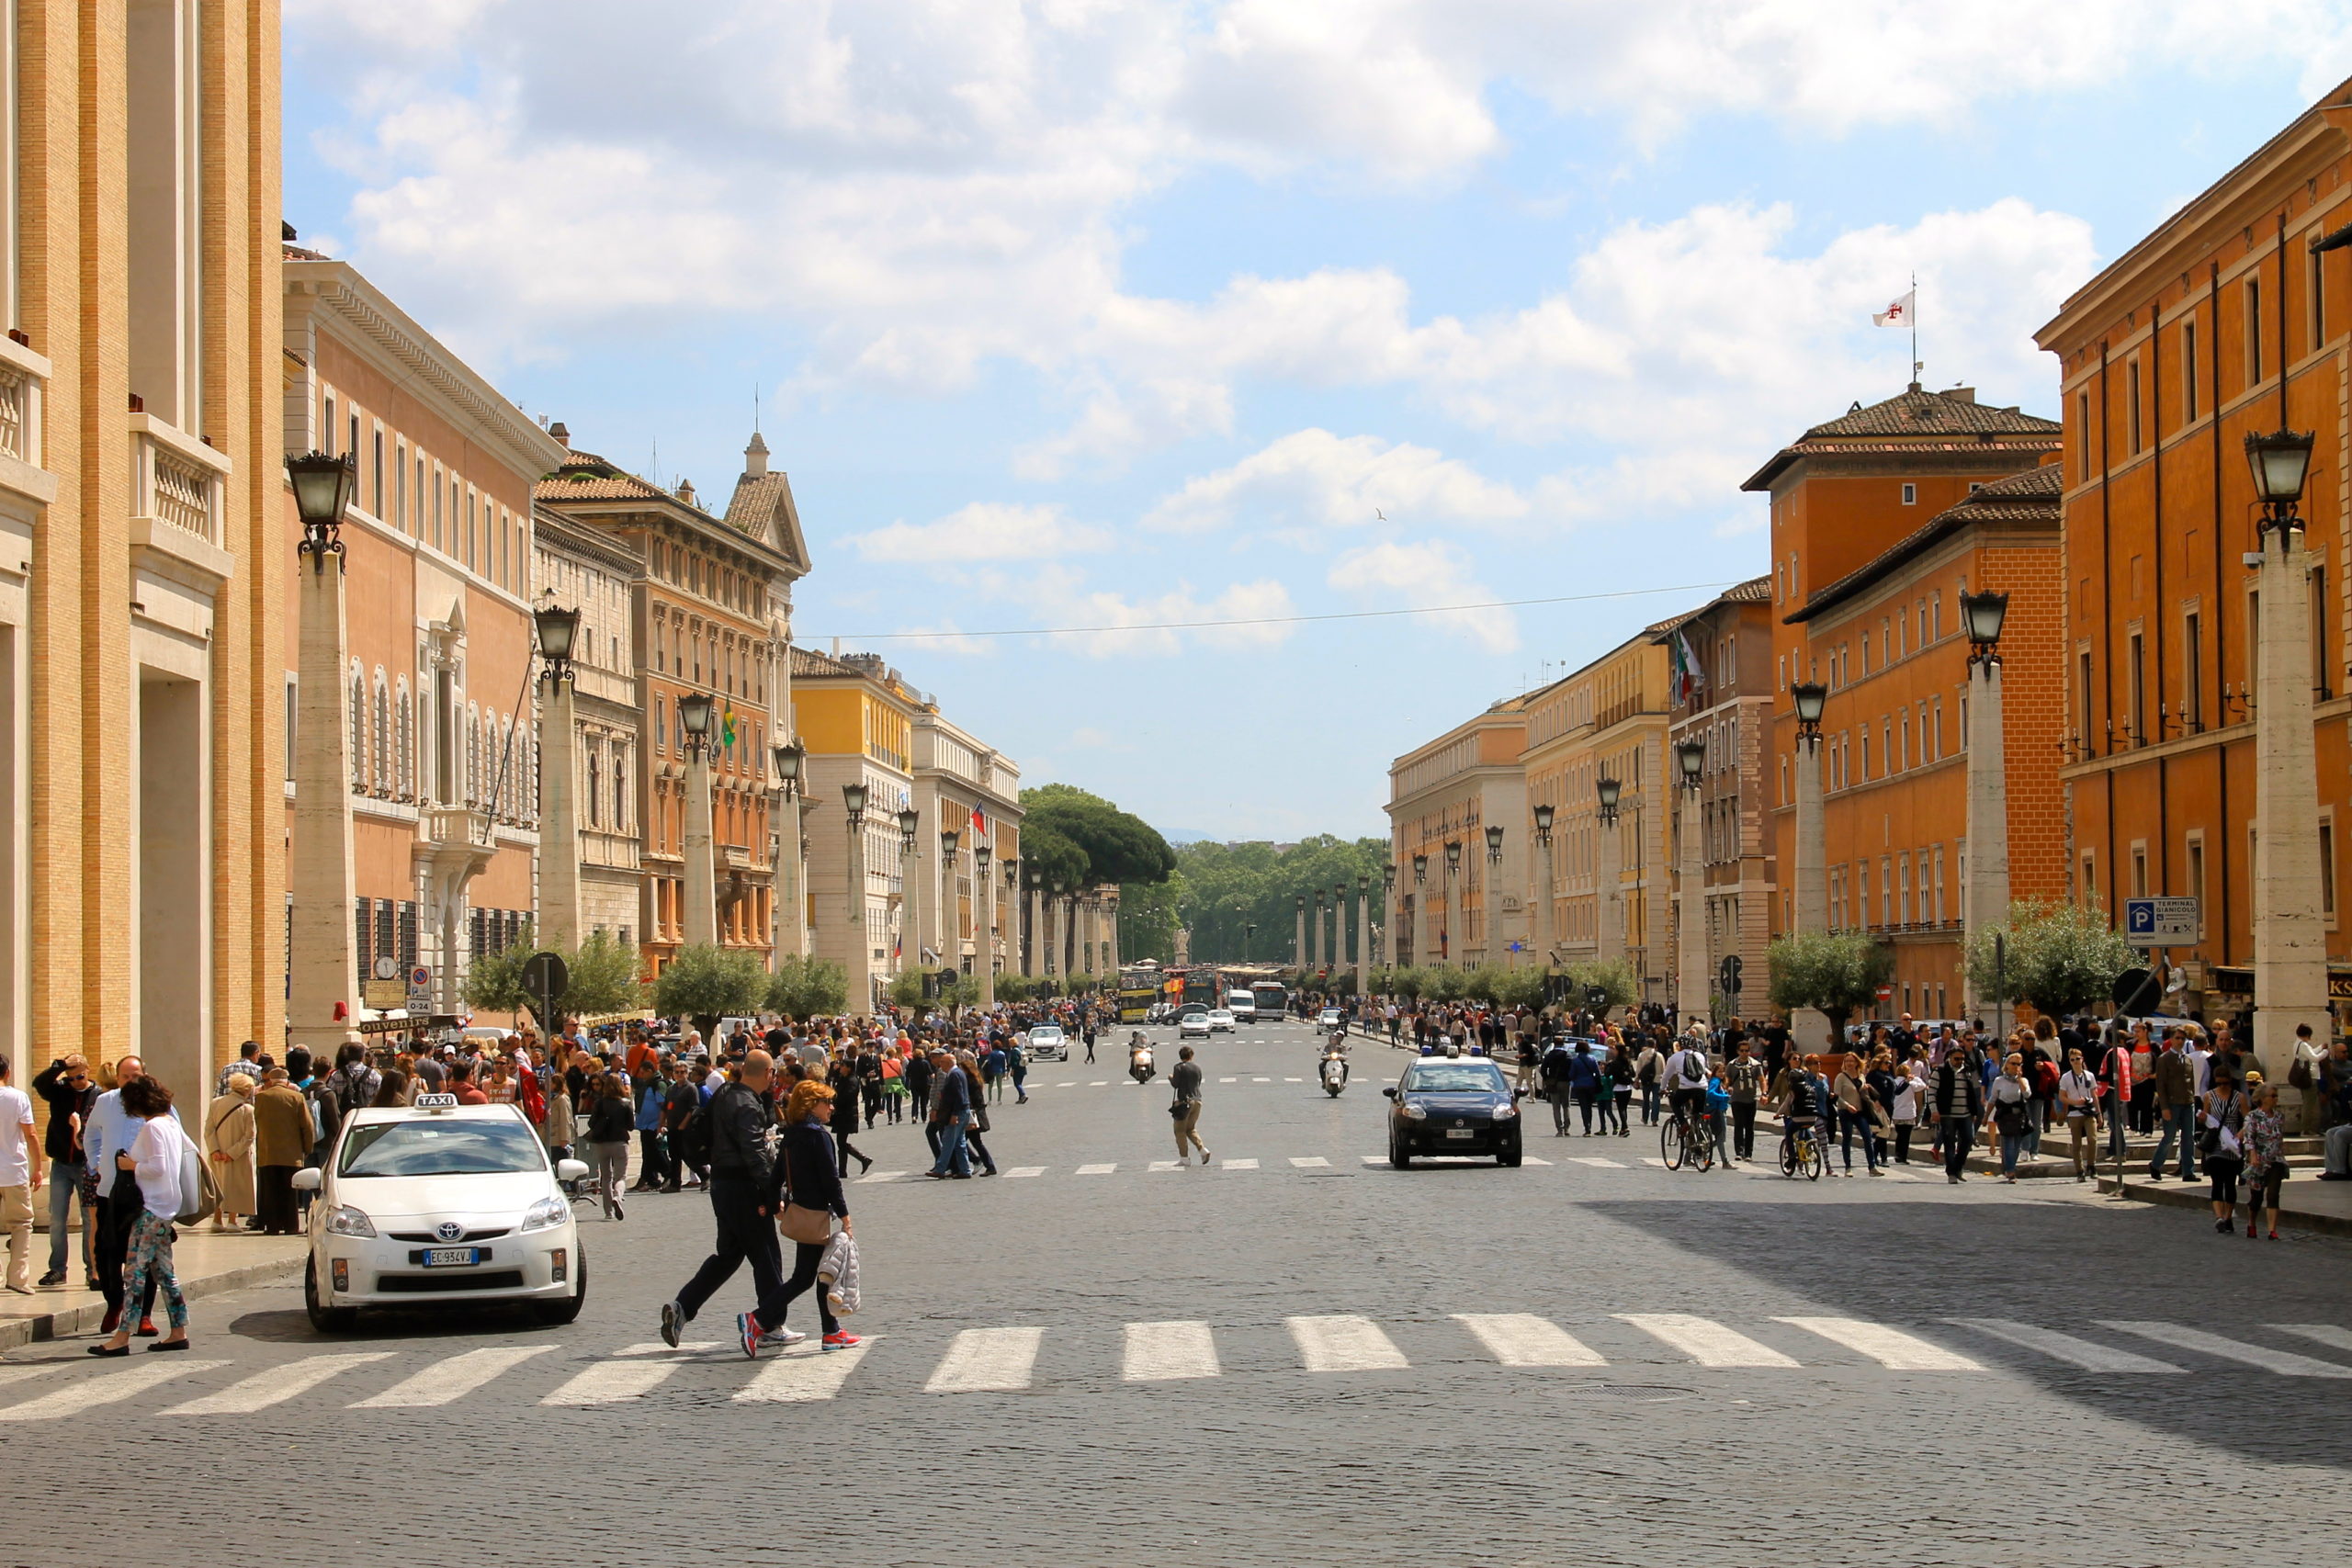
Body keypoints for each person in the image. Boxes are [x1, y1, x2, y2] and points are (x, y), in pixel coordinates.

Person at [661, 1050, 798, 1358]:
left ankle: (683, 1306)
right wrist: (773, 1192)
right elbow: (754, 1152)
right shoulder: (747, 1104)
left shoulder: (724, 1094)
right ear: (768, 1074)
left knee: (729, 1255)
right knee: (766, 1255)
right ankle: (770, 1324)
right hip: (744, 1186)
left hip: (721, 1183)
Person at [85, 1074, 194, 1355]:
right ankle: (179, 1331)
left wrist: (131, 1165)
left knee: (134, 1274)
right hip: (166, 1207)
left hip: (150, 1208)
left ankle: (122, 1337)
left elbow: (157, 1167)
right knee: (164, 1272)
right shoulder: (170, 1123)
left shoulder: (153, 1128)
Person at [774, 1079, 860, 1350]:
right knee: (817, 1274)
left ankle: (831, 1330)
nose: (831, 1108)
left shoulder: (792, 1134)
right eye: (827, 1102)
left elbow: (776, 1175)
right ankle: (758, 1317)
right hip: (817, 1215)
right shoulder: (818, 1136)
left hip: (802, 1210)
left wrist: (774, 1202)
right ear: (812, 1105)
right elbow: (831, 1181)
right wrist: (845, 1216)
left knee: (816, 1273)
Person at [29, 1054, 96, 1289]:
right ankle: (58, 1269)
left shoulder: (97, 1096)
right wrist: (59, 1067)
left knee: (89, 1220)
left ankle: (92, 1269)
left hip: (86, 1164)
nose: (76, 1081)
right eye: (71, 1077)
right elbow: (39, 1084)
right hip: (60, 1163)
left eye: (80, 1076)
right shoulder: (59, 1091)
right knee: (57, 1219)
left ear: (88, 1070)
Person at [251, 1067, 312, 1235]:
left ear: (270, 1082)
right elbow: (307, 1126)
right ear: (286, 1082)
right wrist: (307, 1148)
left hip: (267, 1152)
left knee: (270, 1192)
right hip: (291, 1154)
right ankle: (291, 1226)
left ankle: (272, 1226)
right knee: (290, 1192)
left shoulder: (261, 1097)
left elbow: (256, 1122)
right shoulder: (296, 1097)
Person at [0, 1055, 39, 1294]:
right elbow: (30, 1133)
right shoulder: (17, 1097)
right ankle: (17, 1277)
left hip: (12, 1170)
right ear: (7, 1073)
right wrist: (38, 1168)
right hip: (13, 1170)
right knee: (21, 1224)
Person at [201, 1074, 257, 1232]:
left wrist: (214, 1150)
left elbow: (209, 1129)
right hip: (238, 1155)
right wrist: (232, 1153)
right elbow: (249, 1136)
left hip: (217, 1154)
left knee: (218, 1186)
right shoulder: (247, 1109)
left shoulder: (216, 1103)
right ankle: (232, 1221)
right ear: (247, 1089)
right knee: (236, 1187)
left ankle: (217, 1220)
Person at [2200, 1070, 2249, 1235]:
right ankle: (2219, 1217)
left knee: (2230, 1183)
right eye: (2219, 1083)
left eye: (2225, 1083)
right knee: (2217, 1181)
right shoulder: (2209, 1096)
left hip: (2232, 1144)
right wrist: (2202, 1118)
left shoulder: (2239, 1097)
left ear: (2230, 1081)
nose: (2222, 1086)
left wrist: (2240, 1135)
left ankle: (2228, 1217)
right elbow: (2206, 1117)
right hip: (2215, 1143)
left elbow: (2248, 1120)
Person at [2149, 1032, 2199, 1183]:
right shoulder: (2164, 1059)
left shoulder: (2187, 1059)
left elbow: (2191, 1081)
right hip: (2172, 1103)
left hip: (2188, 1102)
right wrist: (2164, 1107)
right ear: (2171, 1039)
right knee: (2169, 1136)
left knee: (2188, 1138)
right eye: (2177, 1038)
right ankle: (2156, 1164)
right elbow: (2161, 1084)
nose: (2180, 1041)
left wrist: (2192, 1098)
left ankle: (2188, 1171)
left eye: (2183, 1039)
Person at [2241, 1082, 2288, 1240]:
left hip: (2276, 1159)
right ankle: (2251, 1223)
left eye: (2276, 1096)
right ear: (2262, 1098)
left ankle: (2272, 1230)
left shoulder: (2280, 1116)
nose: (2275, 1099)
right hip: (2258, 1161)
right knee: (2257, 1198)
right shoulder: (2252, 1117)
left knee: (2273, 1194)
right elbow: (2249, 1138)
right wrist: (2253, 1155)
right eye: (2272, 1096)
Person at [586, 1071, 633, 1220]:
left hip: (602, 1143)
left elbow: (591, 1123)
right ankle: (617, 1197)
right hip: (619, 1142)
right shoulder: (625, 1103)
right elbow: (631, 1126)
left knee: (606, 1177)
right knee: (620, 1177)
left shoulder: (599, 1103)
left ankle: (608, 1212)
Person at [926, 1049, 972, 1179]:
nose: (940, 1065)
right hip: (962, 1111)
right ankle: (965, 1170)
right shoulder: (957, 1073)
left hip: (957, 1112)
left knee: (947, 1142)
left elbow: (959, 1096)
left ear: (949, 1063)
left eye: (942, 1062)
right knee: (959, 1143)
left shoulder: (954, 1075)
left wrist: (955, 1114)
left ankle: (940, 1169)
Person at [2057, 1048, 2101, 1181]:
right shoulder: (2066, 1078)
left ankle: (2091, 1166)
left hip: (2089, 1111)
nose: (2076, 1062)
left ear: (2082, 1059)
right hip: (2074, 1113)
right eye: (2072, 1060)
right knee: (2077, 1144)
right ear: (2070, 1062)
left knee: (2092, 1139)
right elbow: (2062, 1097)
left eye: (2078, 1059)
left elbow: (2094, 1094)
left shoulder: (2089, 1075)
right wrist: (2075, 1102)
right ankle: (2079, 1171)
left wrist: (2098, 1113)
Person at [1988, 1053, 2032, 1182]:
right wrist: (1986, 1117)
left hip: (2018, 1116)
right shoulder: (1999, 1081)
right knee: (2008, 1143)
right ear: (2007, 1065)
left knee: (2017, 1145)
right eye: (2013, 1063)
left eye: (2018, 1064)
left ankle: (2011, 1166)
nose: (2015, 1066)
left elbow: (2027, 1095)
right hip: (2005, 1115)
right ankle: (2010, 1171)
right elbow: (1993, 1099)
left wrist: (2020, 1080)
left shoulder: (2023, 1081)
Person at [1170, 1044, 1210, 1166]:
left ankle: (1184, 1158)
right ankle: (1203, 1150)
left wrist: (1170, 1078)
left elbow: (1176, 1084)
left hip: (1184, 1103)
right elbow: (1198, 1083)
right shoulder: (1197, 1067)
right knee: (1190, 1128)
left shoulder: (1178, 1067)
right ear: (1191, 1056)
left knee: (1179, 1131)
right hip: (1197, 1100)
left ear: (1180, 1056)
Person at [1724, 1040, 1763, 1162]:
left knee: (1749, 1127)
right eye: (1742, 1051)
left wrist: (1764, 1093)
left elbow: (1761, 1079)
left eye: (1747, 1051)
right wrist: (1726, 1087)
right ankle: (1739, 1151)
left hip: (1751, 1099)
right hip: (1737, 1099)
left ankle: (1748, 1153)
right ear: (1738, 1051)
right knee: (1739, 1125)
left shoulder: (1755, 1065)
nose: (1744, 1053)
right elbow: (1727, 1079)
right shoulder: (1732, 1065)